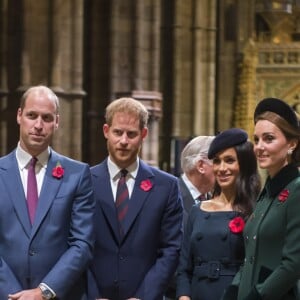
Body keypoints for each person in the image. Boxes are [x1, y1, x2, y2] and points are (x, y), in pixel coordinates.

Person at [0, 85, 95, 300]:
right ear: (19, 116)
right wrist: (14, 295)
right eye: (32, 116)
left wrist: (44, 292)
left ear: (57, 122)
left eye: (47, 118)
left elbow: (82, 243)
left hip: (58, 295)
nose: (39, 125)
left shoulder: (77, 174)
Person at [88, 97, 183, 300]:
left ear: (144, 135)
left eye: (131, 134)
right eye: (117, 132)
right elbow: (75, 244)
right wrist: (92, 294)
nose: (123, 141)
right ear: (106, 131)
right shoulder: (84, 181)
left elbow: (171, 248)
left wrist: (144, 296)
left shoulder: (166, 186)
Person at [223, 98, 300, 300]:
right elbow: (251, 257)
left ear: (292, 143)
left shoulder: (297, 190)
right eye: (256, 140)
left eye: (269, 139)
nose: (259, 147)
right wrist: (233, 290)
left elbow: (293, 264)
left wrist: (258, 295)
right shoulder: (266, 193)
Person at [176, 128, 261, 300]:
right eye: (216, 161)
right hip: (198, 293)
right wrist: (183, 296)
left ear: (244, 165)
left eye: (229, 160)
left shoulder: (256, 210)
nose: (221, 168)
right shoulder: (197, 210)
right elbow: (184, 267)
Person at [164, 136, 215, 300]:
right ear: (201, 165)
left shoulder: (214, 200)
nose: (223, 168)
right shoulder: (169, 196)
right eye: (218, 161)